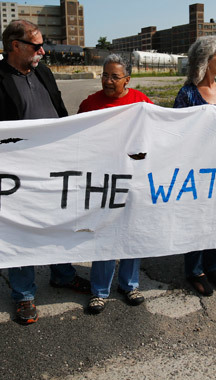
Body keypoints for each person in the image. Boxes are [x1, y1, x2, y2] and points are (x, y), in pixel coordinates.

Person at [0, 19, 90, 325]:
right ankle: (24, 294)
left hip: (55, 169)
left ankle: (63, 274)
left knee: (59, 224)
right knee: (21, 233)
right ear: (15, 46)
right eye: (36, 46)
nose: (43, 51)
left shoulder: (44, 73)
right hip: (17, 177)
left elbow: (61, 115)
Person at [78, 54, 153, 314]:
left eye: (114, 77)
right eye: (105, 75)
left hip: (133, 179)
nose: (108, 81)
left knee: (132, 232)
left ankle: (130, 284)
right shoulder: (90, 104)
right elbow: (77, 140)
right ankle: (99, 290)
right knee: (105, 233)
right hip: (103, 180)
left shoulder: (141, 102)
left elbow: (156, 135)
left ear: (127, 79)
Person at [173, 35, 216, 295]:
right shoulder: (187, 94)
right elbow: (176, 134)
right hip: (195, 171)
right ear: (206, 61)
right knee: (197, 220)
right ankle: (194, 270)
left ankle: (213, 266)